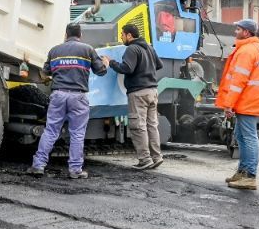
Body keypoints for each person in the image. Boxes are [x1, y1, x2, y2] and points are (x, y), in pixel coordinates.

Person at [28, 22, 107, 179]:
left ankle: (38, 165)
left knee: (50, 131)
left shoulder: (55, 51)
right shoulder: (87, 49)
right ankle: (75, 170)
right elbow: (101, 71)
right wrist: (106, 62)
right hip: (78, 96)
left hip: (58, 95)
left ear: (65, 35)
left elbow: (45, 73)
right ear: (80, 35)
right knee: (77, 134)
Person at [214, 18, 259, 190]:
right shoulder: (257, 49)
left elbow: (238, 81)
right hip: (251, 100)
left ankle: (249, 175)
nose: (235, 32)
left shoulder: (246, 51)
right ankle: (243, 171)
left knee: (248, 137)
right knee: (241, 136)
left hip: (247, 101)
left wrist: (228, 104)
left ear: (246, 32)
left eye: (238, 29)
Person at [104, 23, 164, 171]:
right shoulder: (148, 47)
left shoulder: (132, 48)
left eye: (122, 35)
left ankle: (145, 160)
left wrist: (110, 62)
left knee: (138, 127)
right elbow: (159, 64)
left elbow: (126, 68)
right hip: (152, 91)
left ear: (129, 35)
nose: (121, 38)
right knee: (152, 126)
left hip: (138, 93)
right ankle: (157, 157)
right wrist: (145, 69)